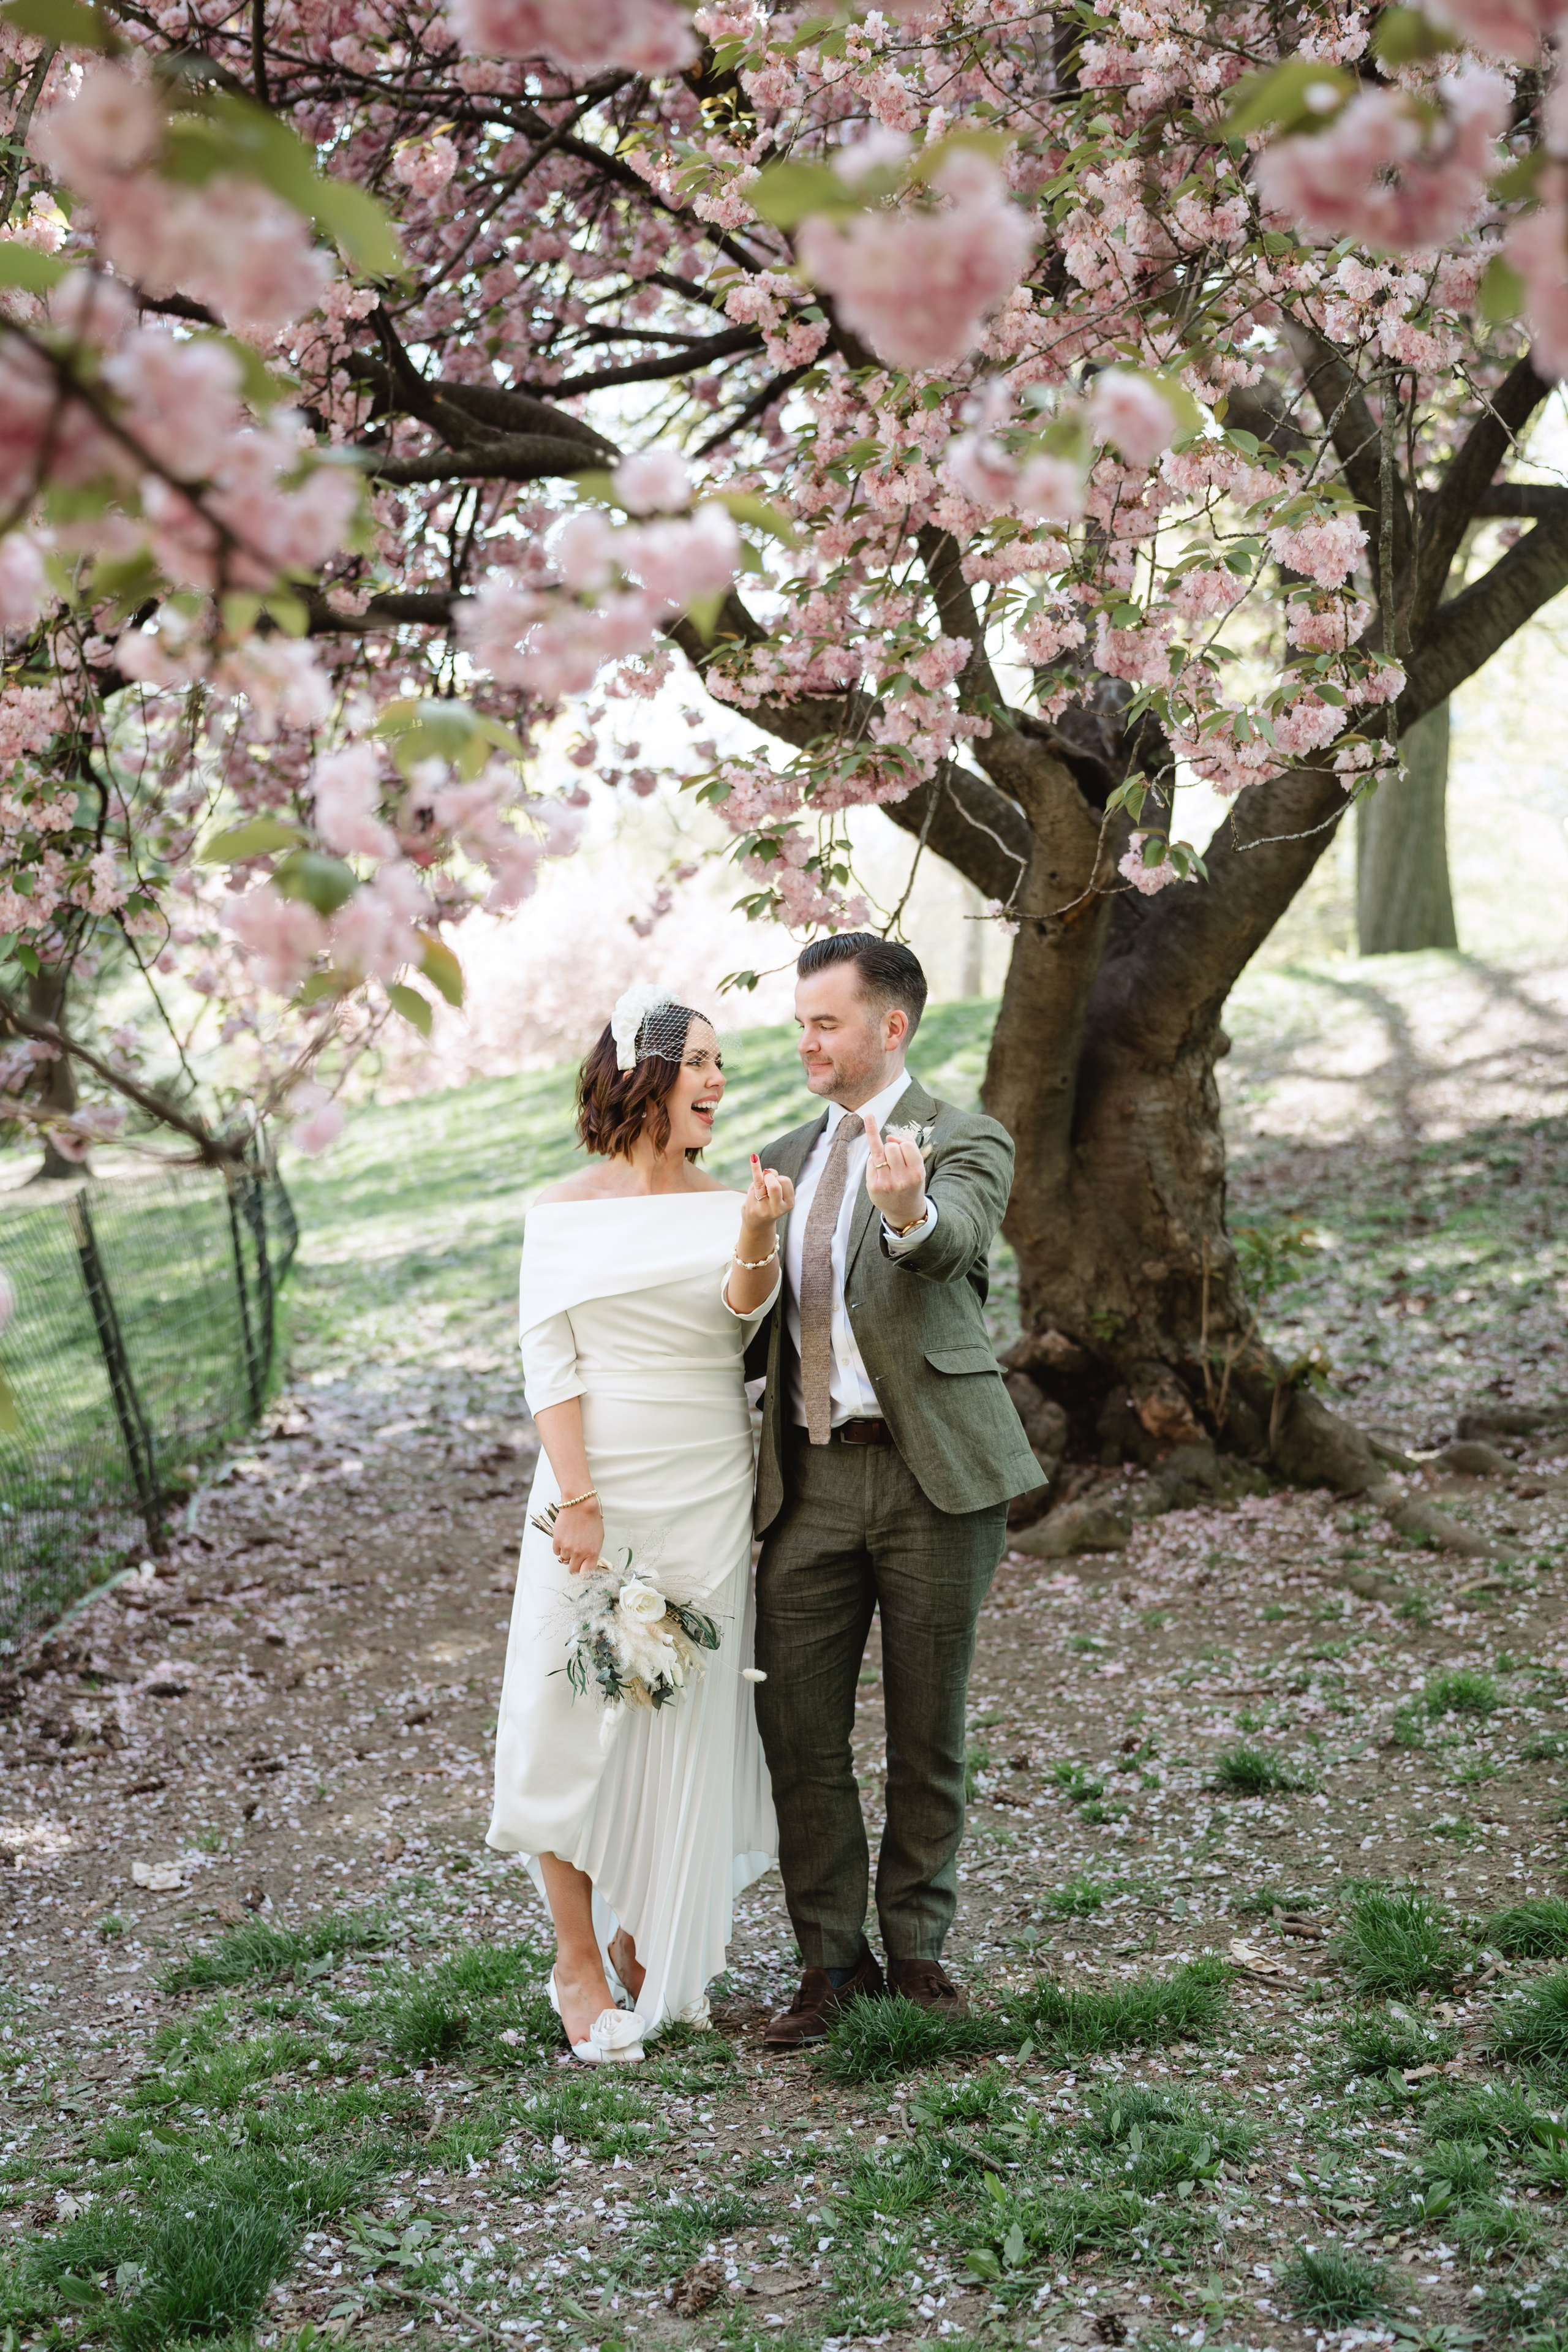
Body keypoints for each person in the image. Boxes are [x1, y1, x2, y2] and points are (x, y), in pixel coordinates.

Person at [739, 935, 1041, 2049]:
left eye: (826, 1022)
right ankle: (830, 1964)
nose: (806, 1041)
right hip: (807, 1482)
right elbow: (745, 1321)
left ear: (890, 1028)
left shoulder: (963, 1138)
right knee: (798, 1736)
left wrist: (907, 1210)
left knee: (929, 1728)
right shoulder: (776, 1155)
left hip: (935, 1477)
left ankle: (917, 1953)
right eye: (802, 1022)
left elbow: (950, 1241)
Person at [487, 983, 791, 2063]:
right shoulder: (563, 1213)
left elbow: (742, 1317)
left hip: (706, 1473)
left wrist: (756, 1230)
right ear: (644, 1075)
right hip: (593, 1481)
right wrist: (576, 1498)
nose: (717, 1081)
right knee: (567, 1701)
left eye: (721, 1064)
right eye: (699, 1062)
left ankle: (647, 1924)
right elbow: (549, 1359)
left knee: (684, 1704)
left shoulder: (729, 1198)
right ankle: (575, 1952)